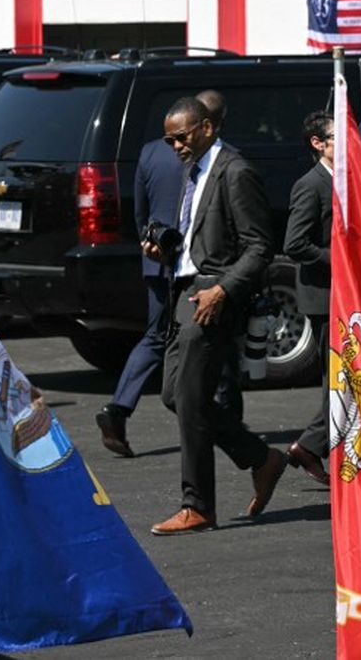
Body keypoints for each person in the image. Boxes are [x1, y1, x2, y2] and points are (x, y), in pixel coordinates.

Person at [150, 96, 285, 535]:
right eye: (169, 139)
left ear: (206, 127)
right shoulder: (195, 169)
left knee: (189, 398)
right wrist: (167, 249)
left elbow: (259, 246)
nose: (175, 146)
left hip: (214, 296)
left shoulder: (236, 170)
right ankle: (260, 457)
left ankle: (198, 505)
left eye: (181, 137)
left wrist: (222, 289)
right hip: (186, 291)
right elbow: (201, 238)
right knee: (176, 395)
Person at [96, 90, 242, 456]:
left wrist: (153, 247)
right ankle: (224, 420)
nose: (177, 143)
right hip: (201, 269)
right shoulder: (217, 161)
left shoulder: (149, 152)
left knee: (156, 336)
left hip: (157, 259)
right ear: (213, 124)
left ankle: (119, 408)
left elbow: (141, 216)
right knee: (211, 345)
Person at [281, 110, 333, 484]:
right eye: (337, 137)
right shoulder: (310, 185)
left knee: (346, 377)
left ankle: (314, 444)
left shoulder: (345, 180)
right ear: (318, 144)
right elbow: (295, 244)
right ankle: (310, 444)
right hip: (325, 297)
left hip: (345, 296)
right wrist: (340, 260)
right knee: (342, 378)